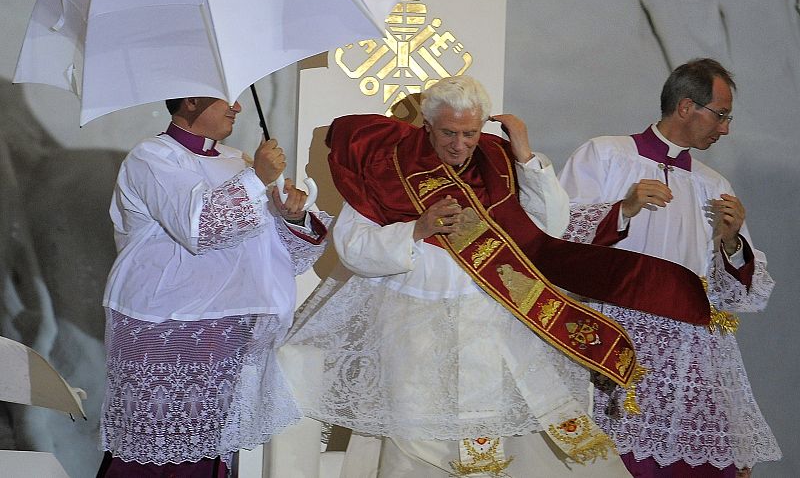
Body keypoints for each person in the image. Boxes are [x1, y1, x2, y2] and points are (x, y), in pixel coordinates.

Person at [281, 76, 639, 477]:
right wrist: (416, 228)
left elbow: (551, 226)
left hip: (490, 320)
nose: (460, 144)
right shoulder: (387, 166)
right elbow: (352, 248)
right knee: (417, 439)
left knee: (511, 432)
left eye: (470, 133)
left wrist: (524, 153)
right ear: (427, 125)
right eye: (449, 133)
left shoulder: (498, 161)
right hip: (412, 326)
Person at [559, 59, 781, 478]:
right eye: (720, 115)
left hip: (689, 354)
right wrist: (622, 210)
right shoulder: (605, 155)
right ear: (685, 107)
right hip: (616, 340)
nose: (726, 128)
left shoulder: (714, 185)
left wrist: (733, 243)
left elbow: (736, 297)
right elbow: (555, 239)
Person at [96, 96, 331, 477]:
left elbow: (284, 252)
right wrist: (256, 179)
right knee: (145, 451)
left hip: (226, 325)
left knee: (210, 451)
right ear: (191, 100)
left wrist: (293, 215)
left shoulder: (237, 160)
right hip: (162, 324)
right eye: (228, 99)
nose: (237, 108)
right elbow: (198, 227)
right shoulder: (152, 157)